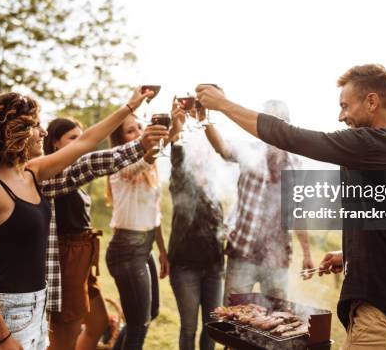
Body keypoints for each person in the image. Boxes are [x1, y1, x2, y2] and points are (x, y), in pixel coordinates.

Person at [196, 64, 386, 350]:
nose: (341, 116)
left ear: (372, 101)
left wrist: (222, 104)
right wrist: (348, 255)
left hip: (384, 317)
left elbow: (287, 135)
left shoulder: (371, 144)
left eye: (345, 106)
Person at [0, 88, 167, 350]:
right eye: (35, 125)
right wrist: (0, 336)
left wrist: (131, 107)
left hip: (36, 310)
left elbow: (86, 144)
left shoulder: (33, 173)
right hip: (2, 317)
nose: (43, 132)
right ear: (14, 131)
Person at [43, 116, 162, 350]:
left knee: (98, 325)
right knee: (65, 334)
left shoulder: (72, 174)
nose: (81, 143)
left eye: (83, 137)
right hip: (68, 261)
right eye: (73, 138)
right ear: (55, 143)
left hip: (84, 259)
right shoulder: (51, 174)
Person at [203, 97, 314, 304]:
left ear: (288, 124)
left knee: (275, 321)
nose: (273, 127)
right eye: (267, 120)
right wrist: (204, 120)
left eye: (279, 121)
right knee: (232, 320)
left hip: (278, 260)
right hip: (243, 254)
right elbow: (222, 148)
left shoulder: (297, 164)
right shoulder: (249, 151)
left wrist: (307, 254)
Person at [105, 113, 170, 350]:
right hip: (126, 249)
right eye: (130, 131)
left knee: (149, 314)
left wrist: (162, 251)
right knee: (138, 325)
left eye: (140, 127)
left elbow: (155, 214)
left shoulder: (151, 170)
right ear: (121, 140)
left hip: (145, 246)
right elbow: (141, 162)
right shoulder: (119, 163)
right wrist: (166, 138)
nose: (139, 133)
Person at [168, 103, 225, 350]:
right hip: (186, 269)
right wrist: (177, 125)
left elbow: (218, 227)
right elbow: (177, 157)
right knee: (189, 328)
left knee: (212, 327)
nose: (203, 157)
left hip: (214, 269)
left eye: (206, 154)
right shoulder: (182, 183)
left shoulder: (213, 190)